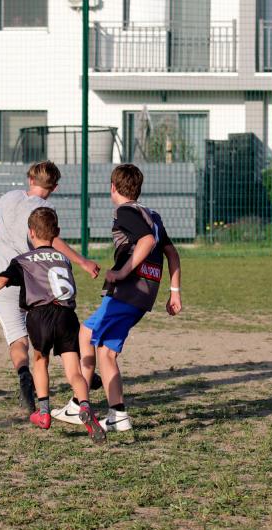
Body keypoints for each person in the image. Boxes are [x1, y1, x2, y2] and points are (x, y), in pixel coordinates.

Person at [0, 207, 106, 442]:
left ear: (31, 233)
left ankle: (44, 412)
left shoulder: (23, 260)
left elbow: (1, 280)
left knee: (40, 361)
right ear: (56, 232)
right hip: (67, 315)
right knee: (74, 370)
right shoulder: (64, 259)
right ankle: (85, 406)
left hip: (40, 315)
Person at [53, 164, 182, 431]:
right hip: (144, 293)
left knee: (90, 337)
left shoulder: (125, 211)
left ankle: (84, 405)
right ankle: (111, 413)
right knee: (102, 347)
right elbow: (171, 253)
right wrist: (174, 291)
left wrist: (122, 271)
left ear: (113, 187)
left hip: (127, 291)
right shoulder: (152, 214)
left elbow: (147, 241)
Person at [0, 161, 100, 414]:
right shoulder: (45, 208)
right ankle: (81, 375)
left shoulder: (7, 197)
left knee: (17, 338)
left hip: (4, 281)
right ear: (54, 187)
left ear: (30, 179)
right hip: (35, 282)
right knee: (54, 327)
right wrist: (82, 261)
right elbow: (51, 241)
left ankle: (24, 375)